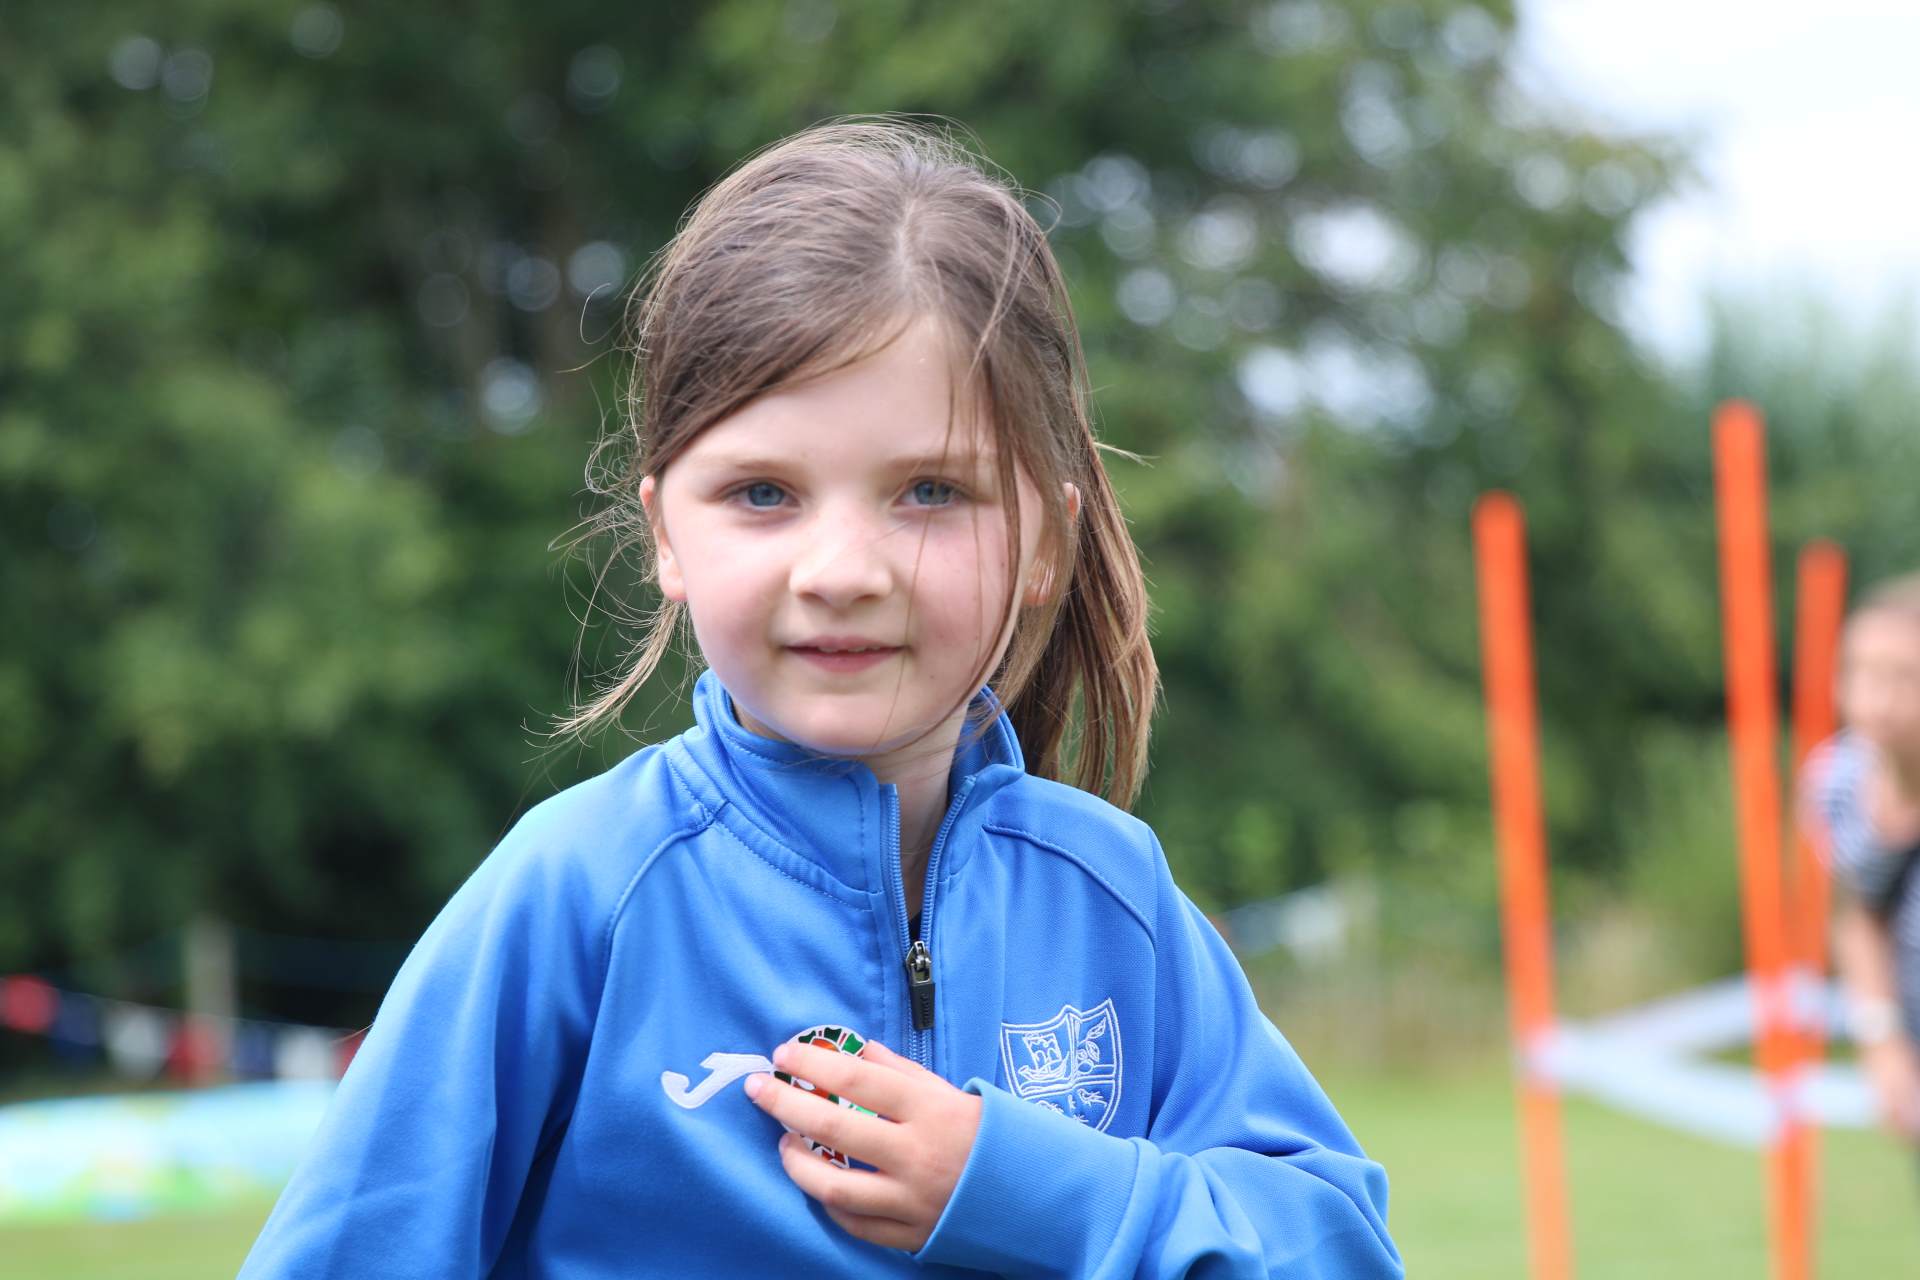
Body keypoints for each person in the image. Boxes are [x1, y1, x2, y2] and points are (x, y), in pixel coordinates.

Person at [238, 117, 1400, 1278]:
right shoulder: (578, 893)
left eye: (930, 490)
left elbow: (1340, 1251)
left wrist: (1019, 1186)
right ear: (665, 534)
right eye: (762, 493)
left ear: (1046, 540)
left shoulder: (1114, 901)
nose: (842, 569)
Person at [1805, 573, 1920, 1145]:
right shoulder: (1837, 781)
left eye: (1904, 676)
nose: (1879, 698)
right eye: (1863, 672)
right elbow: (1858, 913)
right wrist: (1882, 1043)